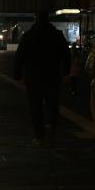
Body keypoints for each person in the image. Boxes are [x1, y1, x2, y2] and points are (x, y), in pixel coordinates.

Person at [13, 11, 71, 144]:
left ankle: (39, 135)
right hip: (53, 74)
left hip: (33, 76)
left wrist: (18, 75)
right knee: (53, 103)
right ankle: (52, 125)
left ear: (35, 19)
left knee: (35, 106)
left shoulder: (28, 35)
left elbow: (19, 57)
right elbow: (66, 55)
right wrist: (66, 72)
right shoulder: (57, 35)